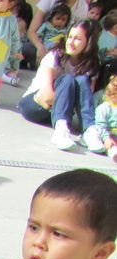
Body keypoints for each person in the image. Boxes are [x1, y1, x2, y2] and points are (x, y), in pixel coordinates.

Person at [18, 20, 103, 149]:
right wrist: (70, 100)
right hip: (35, 106)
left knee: (82, 80)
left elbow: (86, 100)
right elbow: (47, 96)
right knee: (68, 79)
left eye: (78, 39)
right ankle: (61, 130)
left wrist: (72, 102)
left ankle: (89, 131)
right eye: (70, 37)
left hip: (58, 111)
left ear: (89, 42)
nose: (71, 42)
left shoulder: (91, 64)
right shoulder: (55, 56)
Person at [28, 0, 89, 65]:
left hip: (63, 48)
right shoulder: (49, 2)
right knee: (24, 49)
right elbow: (32, 31)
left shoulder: (82, 6)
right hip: (41, 44)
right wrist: (40, 47)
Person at [90, 72, 117, 159]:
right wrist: (106, 138)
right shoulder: (104, 108)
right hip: (107, 137)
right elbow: (101, 125)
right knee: (112, 148)